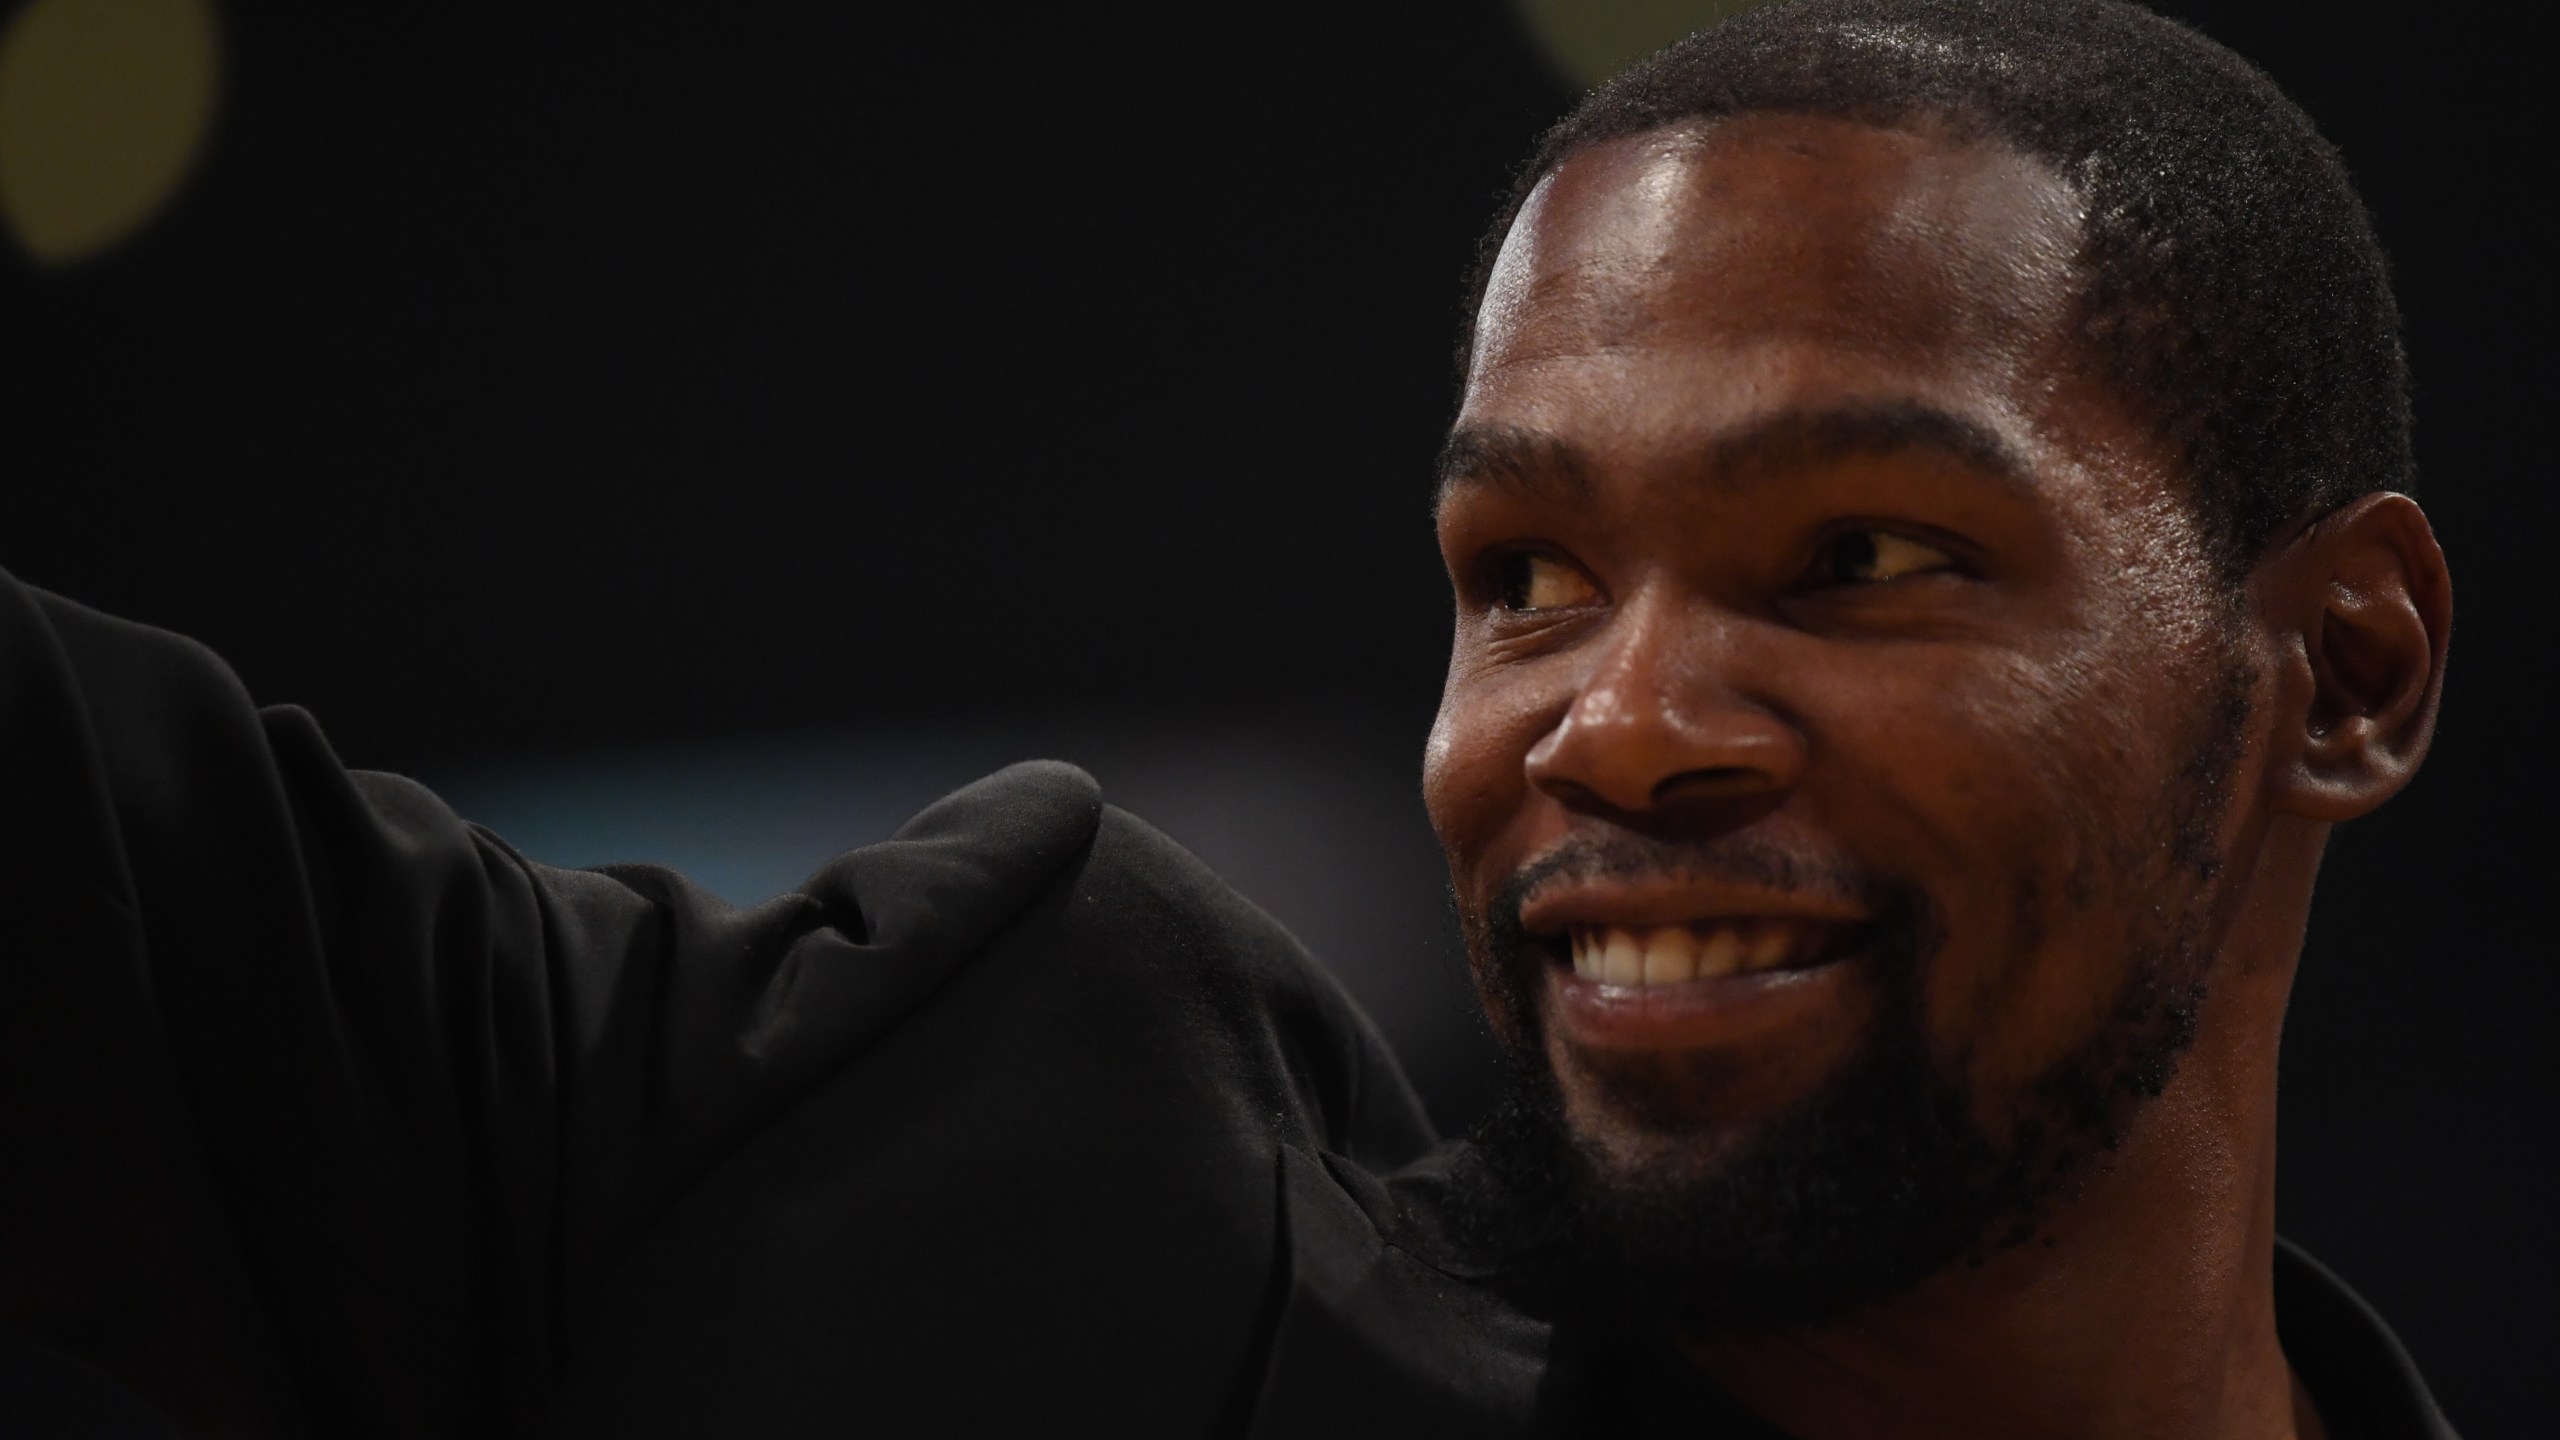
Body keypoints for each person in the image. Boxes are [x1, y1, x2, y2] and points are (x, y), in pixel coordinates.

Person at [0, 0, 2463, 1435]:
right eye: (1519, 579)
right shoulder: (1019, 1214)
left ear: (2336, 671)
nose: (1609, 725)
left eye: (1854, 560)